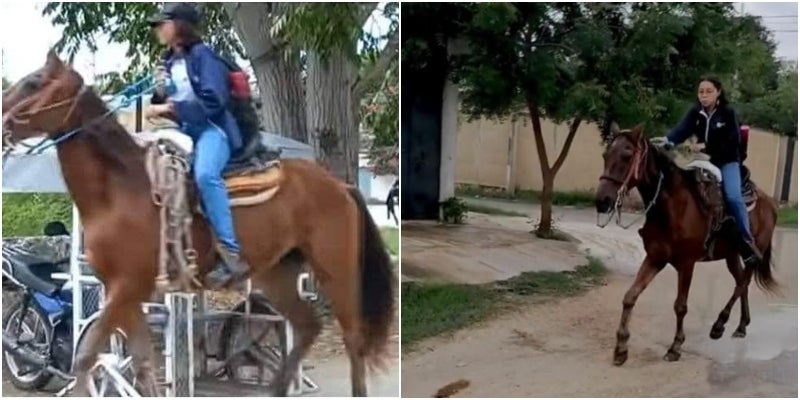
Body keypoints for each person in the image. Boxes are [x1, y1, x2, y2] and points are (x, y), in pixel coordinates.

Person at [145, 2, 249, 288]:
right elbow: (165, 101)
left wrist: (171, 107)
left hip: (213, 130)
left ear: (179, 26)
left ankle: (231, 252)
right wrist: (159, 94)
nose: (158, 29)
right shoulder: (168, 61)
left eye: (163, 23)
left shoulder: (205, 57)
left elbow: (215, 102)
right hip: (184, 132)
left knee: (205, 175)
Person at [664, 77, 762, 267]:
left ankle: (747, 241)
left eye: (709, 91)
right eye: (701, 91)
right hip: (703, 160)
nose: (704, 95)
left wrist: (705, 147)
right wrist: (667, 141)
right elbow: (681, 130)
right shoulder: (696, 113)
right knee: (681, 185)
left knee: (733, 196)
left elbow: (732, 142)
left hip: (727, 161)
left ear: (718, 92)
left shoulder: (728, 113)